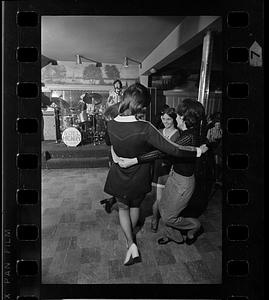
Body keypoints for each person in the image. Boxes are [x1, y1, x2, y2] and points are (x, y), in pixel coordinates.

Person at [104, 84, 208, 266]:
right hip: (139, 175)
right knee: (135, 206)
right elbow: (173, 149)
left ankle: (130, 243)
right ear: (140, 106)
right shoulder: (145, 127)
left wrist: (115, 155)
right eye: (144, 106)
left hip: (118, 172)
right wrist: (197, 151)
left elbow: (109, 142)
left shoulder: (111, 123)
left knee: (122, 208)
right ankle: (132, 238)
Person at [152, 107, 180, 204]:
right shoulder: (158, 131)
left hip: (170, 169)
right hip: (158, 168)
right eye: (163, 119)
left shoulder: (178, 134)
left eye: (168, 119)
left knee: (167, 199)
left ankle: (161, 218)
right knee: (158, 198)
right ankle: (156, 218)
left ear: (174, 119)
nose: (165, 122)